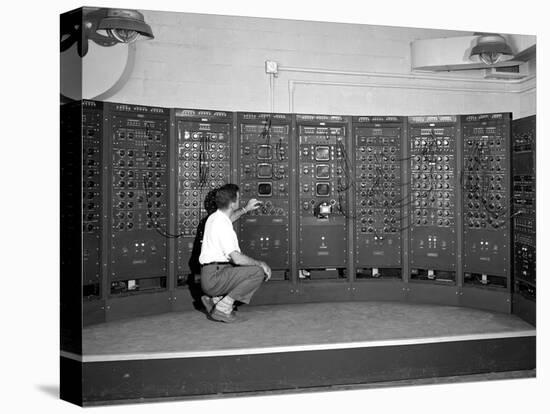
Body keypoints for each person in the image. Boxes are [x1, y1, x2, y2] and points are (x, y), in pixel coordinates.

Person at [199, 183, 271, 323]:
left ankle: (215, 300)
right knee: (256, 272)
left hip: (210, 274)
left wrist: (246, 209)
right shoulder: (222, 225)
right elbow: (236, 258)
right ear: (232, 204)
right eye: (238, 199)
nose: (239, 201)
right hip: (215, 277)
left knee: (243, 268)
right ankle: (222, 308)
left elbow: (230, 219)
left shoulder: (215, 218)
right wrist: (261, 264)